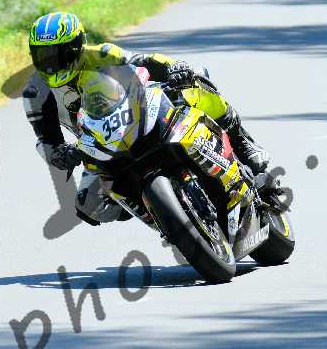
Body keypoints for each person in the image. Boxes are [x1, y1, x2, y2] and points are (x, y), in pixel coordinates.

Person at [23, 11, 271, 225]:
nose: (51, 64)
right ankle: (161, 217)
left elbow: (143, 60)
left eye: (58, 54)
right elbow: (46, 139)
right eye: (42, 55)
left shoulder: (101, 53)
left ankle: (242, 142)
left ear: (77, 46)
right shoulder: (35, 93)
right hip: (98, 145)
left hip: (137, 113)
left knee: (194, 86)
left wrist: (174, 68)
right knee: (89, 206)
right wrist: (59, 155)